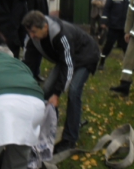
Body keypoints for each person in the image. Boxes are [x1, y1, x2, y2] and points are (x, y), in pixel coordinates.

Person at [23, 11, 100, 153]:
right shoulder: (33, 37)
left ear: (45, 27)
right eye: (29, 32)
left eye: (34, 32)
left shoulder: (61, 35)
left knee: (74, 91)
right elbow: (28, 63)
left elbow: (68, 66)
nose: (31, 36)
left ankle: (70, 139)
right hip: (67, 58)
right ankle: (50, 129)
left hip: (86, 55)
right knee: (46, 91)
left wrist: (57, 94)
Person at [98, 0, 133, 70]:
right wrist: (104, 21)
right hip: (114, 26)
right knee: (108, 45)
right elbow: (106, 9)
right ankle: (101, 63)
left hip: (126, 28)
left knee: (127, 47)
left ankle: (129, 66)